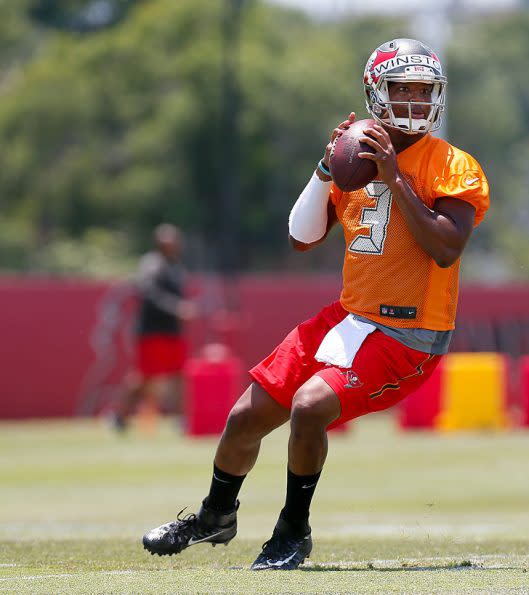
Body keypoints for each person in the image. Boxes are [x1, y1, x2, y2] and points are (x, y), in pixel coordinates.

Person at [142, 38, 489, 570]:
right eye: (404, 89)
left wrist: (394, 177)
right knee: (243, 418)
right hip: (349, 316)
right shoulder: (356, 154)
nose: (417, 101)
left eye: (425, 90)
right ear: (377, 93)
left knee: (309, 407)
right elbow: (301, 237)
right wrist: (326, 169)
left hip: (407, 331)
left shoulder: (451, 164)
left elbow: (445, 248)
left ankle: (292, 531)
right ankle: (216, 515)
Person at [111, 223, 196, 431]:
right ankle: (118, 415)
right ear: (159, 244)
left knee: (178, 375)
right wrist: (176, 308)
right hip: (152, 331)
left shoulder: (176, 266)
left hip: (172, 332)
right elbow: (149, 294)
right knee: (144, 377)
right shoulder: (152, 264)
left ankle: (182, 419)